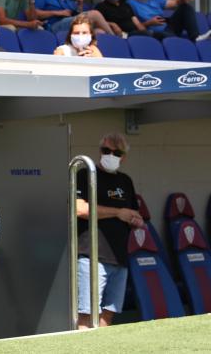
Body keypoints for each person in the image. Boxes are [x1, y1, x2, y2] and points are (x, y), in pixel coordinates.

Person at [75, 133, 143, 329]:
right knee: (87, 315)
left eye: (116, 152)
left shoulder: (125, 180)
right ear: (100, 151)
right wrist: (118, 212)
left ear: (123, 157)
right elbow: (79, 209)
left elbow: (133, 211)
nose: (110, 155)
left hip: (119, 257)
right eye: (106, 151)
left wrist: (135, 219)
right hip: (91, 256)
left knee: (108, 315)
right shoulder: (84, 174)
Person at [125, 0, 211, 41]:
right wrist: (150, 23)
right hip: (153, 32)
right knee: (164, 35)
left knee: (185, 7)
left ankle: (196, 37)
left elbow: (175, 2)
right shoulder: (130, 3)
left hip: (168, 27)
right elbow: (133, 26)